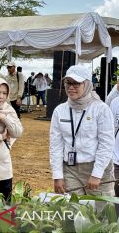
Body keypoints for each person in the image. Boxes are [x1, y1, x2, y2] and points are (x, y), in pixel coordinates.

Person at [50, 65, 115, 210]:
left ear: (87, 84)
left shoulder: (101, 109)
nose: (71, 87)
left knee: (101, 215)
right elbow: (56, 146)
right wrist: (58, 175)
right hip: (70, 170)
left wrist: (97, 174)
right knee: (73, 214)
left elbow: (106, 144)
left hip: (98, 169)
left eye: (76, 83)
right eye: (68, 83)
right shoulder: (59, 111)